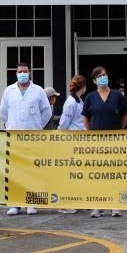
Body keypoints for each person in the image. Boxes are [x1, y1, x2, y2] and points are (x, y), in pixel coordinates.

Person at [0, 62, 52, 216]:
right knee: (15, 171)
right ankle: (15, 204)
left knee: (32, 170)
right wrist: (12, 123)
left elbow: (47, 112)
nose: (22, 73)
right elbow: (3, 112)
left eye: (25, 71)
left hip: (33, 137)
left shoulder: (38, 91)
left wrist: (37, 125)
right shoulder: (9, 90)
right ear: (16, 73)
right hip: (14, 136)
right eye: (19, 71)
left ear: (30, 73)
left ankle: (31, 202)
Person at [82, 66, 127, 218]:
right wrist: (91, 133)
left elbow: (126, 114)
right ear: (94, 80)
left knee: (114, 174)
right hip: (96, 142)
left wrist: (119, 130)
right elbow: (85, 117)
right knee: (98, 174)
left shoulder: (117, 96)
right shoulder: (90, 97)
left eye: (104, 75)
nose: (103, 78)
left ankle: (115, 205)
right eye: (99, 76)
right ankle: (98, 204)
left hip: (114, 141)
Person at [57, 75, 87, 214]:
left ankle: (75, 200)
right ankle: (64, 203)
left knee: (76, 174)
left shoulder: (79, 101)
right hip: (70, 142)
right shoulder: (71, 102)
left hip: (79, 142)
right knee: (68, 174)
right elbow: (64, 124)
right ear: (83, 87)